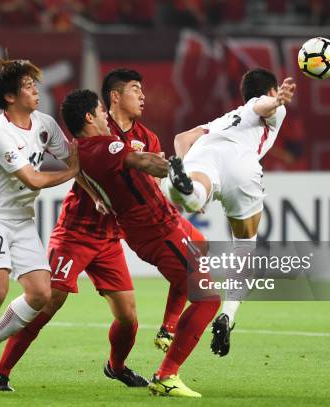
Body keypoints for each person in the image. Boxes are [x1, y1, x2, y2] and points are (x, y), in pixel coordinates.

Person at [63, 88, 221, 398]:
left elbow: (132, 165)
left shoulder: (83, 150)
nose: (106, 115)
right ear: (89, 117)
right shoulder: (103, 147)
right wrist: (177, 169)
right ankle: (167, 374)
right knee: (208, 299)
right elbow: (141, 161)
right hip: (157, 230)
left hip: (158, 224)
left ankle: (169, 326)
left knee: (200, 247)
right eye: (100, 110)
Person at [0, 56, 80, 396]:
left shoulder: (44, 124)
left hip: (22, 219)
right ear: (9, 96)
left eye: (33, 83)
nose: (35, 89)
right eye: (27, 85)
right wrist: (73, 173)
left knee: (40, 293)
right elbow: (34, 178)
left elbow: (73, 156)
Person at [162, 68, 296, 357]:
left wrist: (182, 163)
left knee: (194, 199)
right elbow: (261, 106)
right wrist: (277, 102)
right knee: (245, 244)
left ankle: (181, 186)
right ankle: (229, 315)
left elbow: (182, 137)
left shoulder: (222, 120)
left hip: (203, 155)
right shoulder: (266, 105)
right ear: (270, 90)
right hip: (241, 164)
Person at [102, 68, 206, 353]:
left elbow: (159, 183)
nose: (143, 96)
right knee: (199, 280)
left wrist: (188, 198)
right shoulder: (100, 130)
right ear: (115, 96)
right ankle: (167, 368)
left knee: (201, 247)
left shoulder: (148, 137)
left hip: (159, 216)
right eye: (135, 89)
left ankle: (167, 329)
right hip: (141, 226)